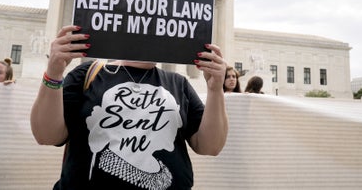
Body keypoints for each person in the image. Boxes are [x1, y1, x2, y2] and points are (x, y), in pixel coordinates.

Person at [30, 25, 228, 189]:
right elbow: (46, 135)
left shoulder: (178, 83)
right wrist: (54, 73)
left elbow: (210, 146)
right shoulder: (88, 73)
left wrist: (215, 89)